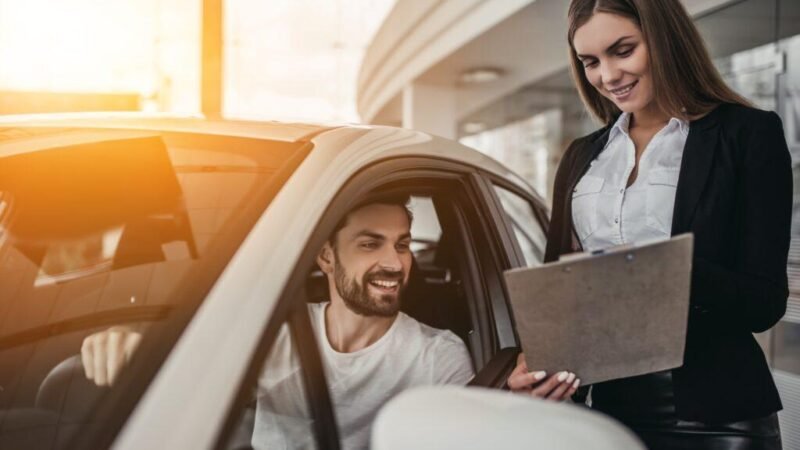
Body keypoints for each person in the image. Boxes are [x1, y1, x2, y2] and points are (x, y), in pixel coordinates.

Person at [81, 194, 579, 449]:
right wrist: (134, 344)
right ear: (325, 256)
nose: (395, 262)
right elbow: (199, 360)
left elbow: (465, 435)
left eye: (403, 244)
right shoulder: (273, 334)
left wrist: (508, 405)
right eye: (370, 244)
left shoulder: (437, 354)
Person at [509, 0, 791, 449]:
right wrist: (538, 366)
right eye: (591, 62)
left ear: (664, 39)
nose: (608, 75)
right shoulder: (582, 157)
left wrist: (663, 269)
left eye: (623, 50)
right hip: (606, 414)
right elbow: (556, 296)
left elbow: (764, 302)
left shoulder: (747, 134)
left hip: (720, 418)